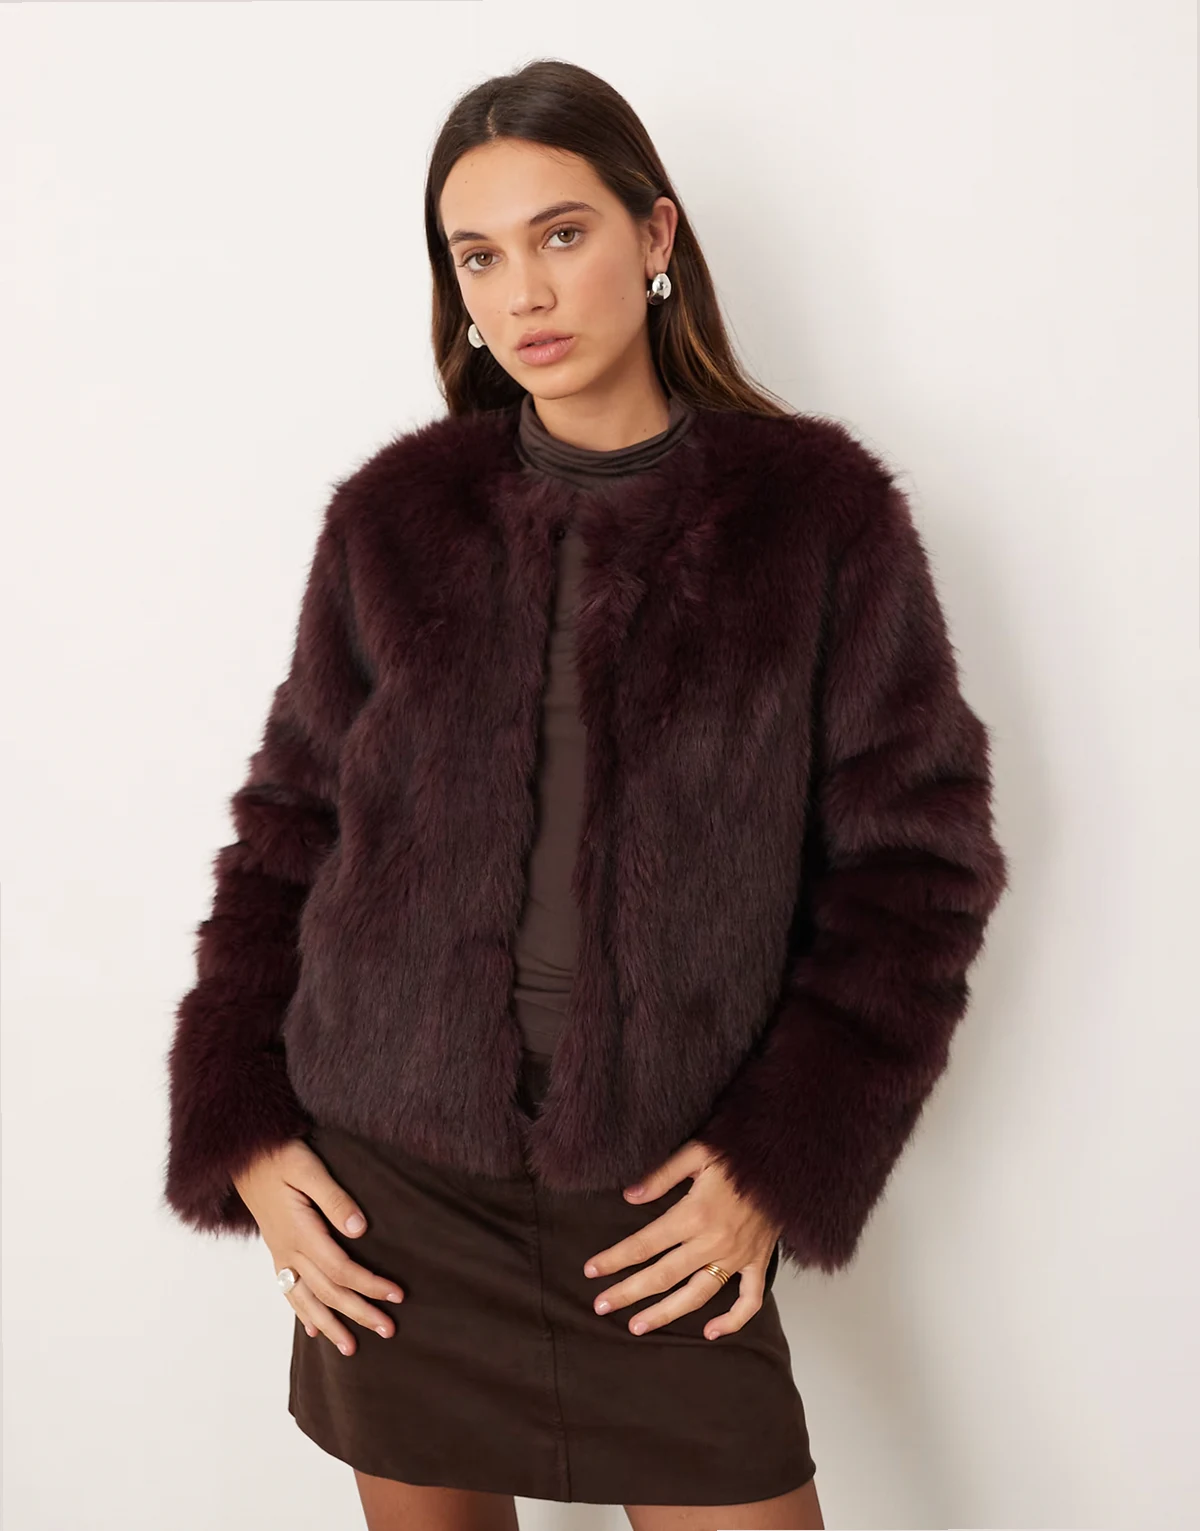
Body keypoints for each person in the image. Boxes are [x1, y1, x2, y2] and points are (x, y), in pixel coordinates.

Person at [162, 59, 1008, 1531]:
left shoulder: (818, 518)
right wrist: (240, 1123)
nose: (524, 292)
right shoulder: (393, 519)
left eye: (562, 234)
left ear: (655, 234)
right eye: (478, 256)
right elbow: (290, 832)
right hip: (394, 1194)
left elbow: (918, 868)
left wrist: (779, 1159)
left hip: (662, 1201)